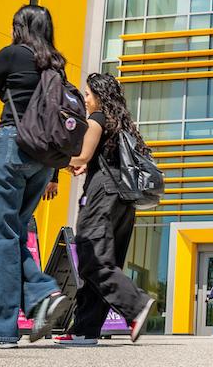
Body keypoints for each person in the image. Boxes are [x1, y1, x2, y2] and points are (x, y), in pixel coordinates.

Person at [0, 4, 70, 349]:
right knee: (12, 233)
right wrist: (55, 173)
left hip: (13, 144)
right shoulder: (57, 66)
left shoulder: (11, 55)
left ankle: (3, 329)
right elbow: (58, 121)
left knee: (1, 234)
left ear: (19, 27)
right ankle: (43, 295)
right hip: (44, 159)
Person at [60, 72, 155, 346]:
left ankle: (135, 304)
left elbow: (83, 155)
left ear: (99, 96)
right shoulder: (122, 125)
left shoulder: (97, 119)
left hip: (102, 195)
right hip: (124, 200)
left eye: (88, 94)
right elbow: (98, 160)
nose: (85, 100)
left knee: (91, 256)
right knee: (101, 261)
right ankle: (85, 330)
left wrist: (51, 158)